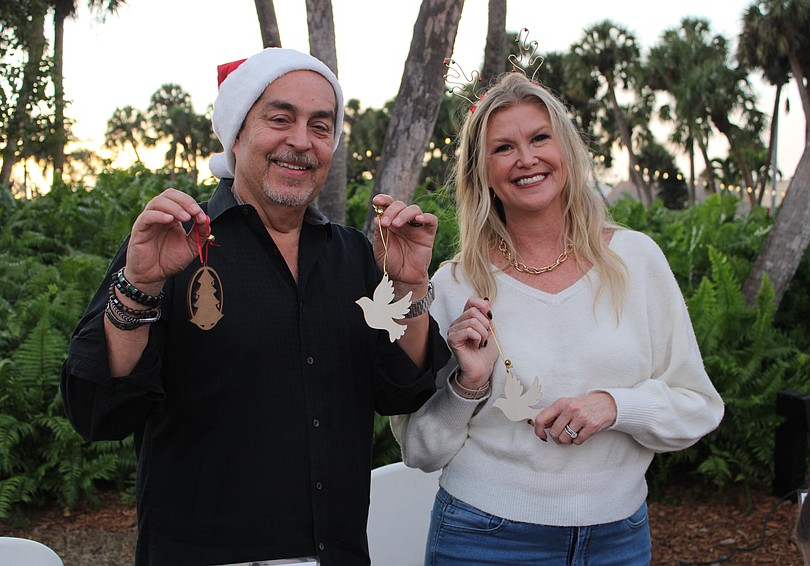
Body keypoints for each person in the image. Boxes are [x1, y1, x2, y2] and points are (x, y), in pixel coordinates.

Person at [61, 47, 449, 566]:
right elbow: (98, 412)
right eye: (280, 118)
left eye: (320, 126)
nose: (300, 142)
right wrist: (138, 288)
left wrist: (409, 288)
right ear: (238, 133)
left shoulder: (355, 255)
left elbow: (402, 389)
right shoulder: (171, 247)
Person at [390, 71, 725, 565]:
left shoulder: (637, 260)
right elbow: (419, 450)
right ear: (481, 171)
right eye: (503, 148)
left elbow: (698, 405)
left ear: (567, 149)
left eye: (540, 138)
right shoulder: (454, 285)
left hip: (618, 540)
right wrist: (468, 387)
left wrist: (615, 406)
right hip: (483, 539)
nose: (527, 159)